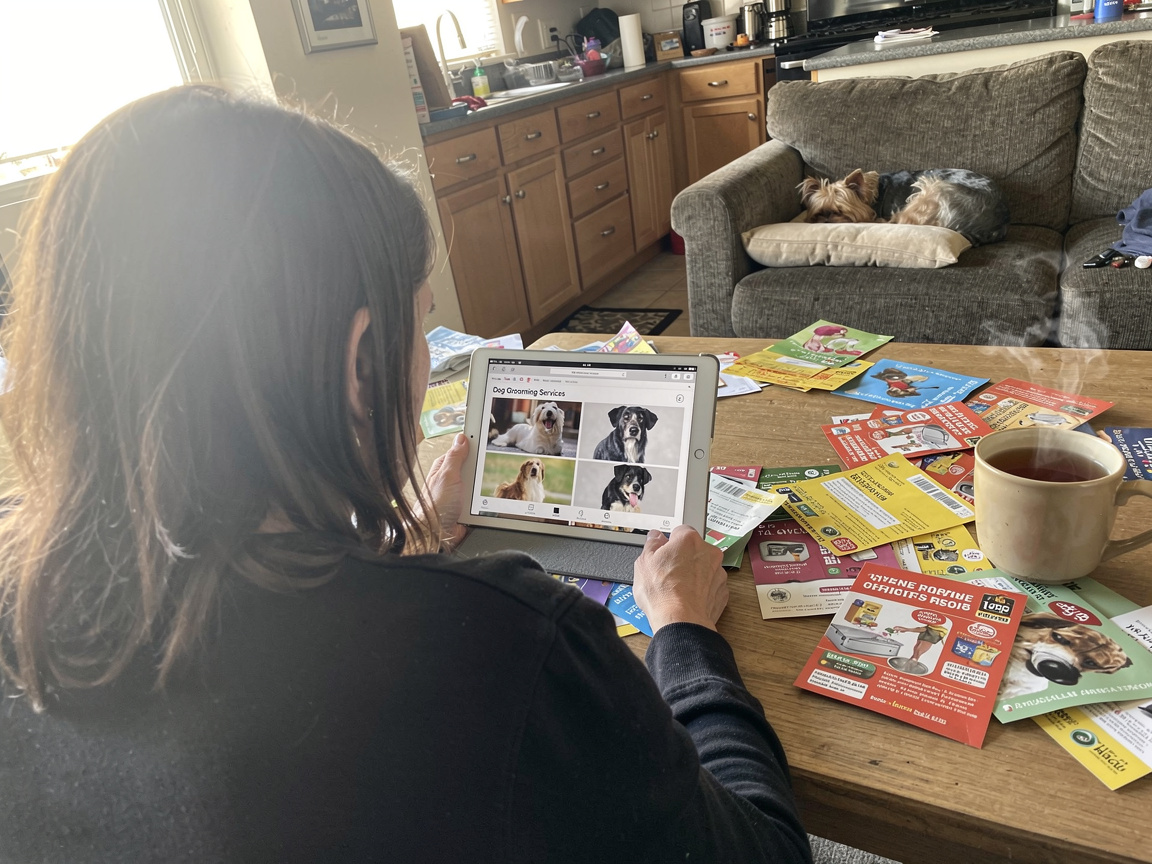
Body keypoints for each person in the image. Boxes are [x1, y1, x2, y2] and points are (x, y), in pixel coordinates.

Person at [0, 85, 812, 863]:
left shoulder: (23, 602)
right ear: (361, 363)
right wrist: (685, 635)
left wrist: (401, 540)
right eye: (421, 324)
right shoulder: (516, 645)